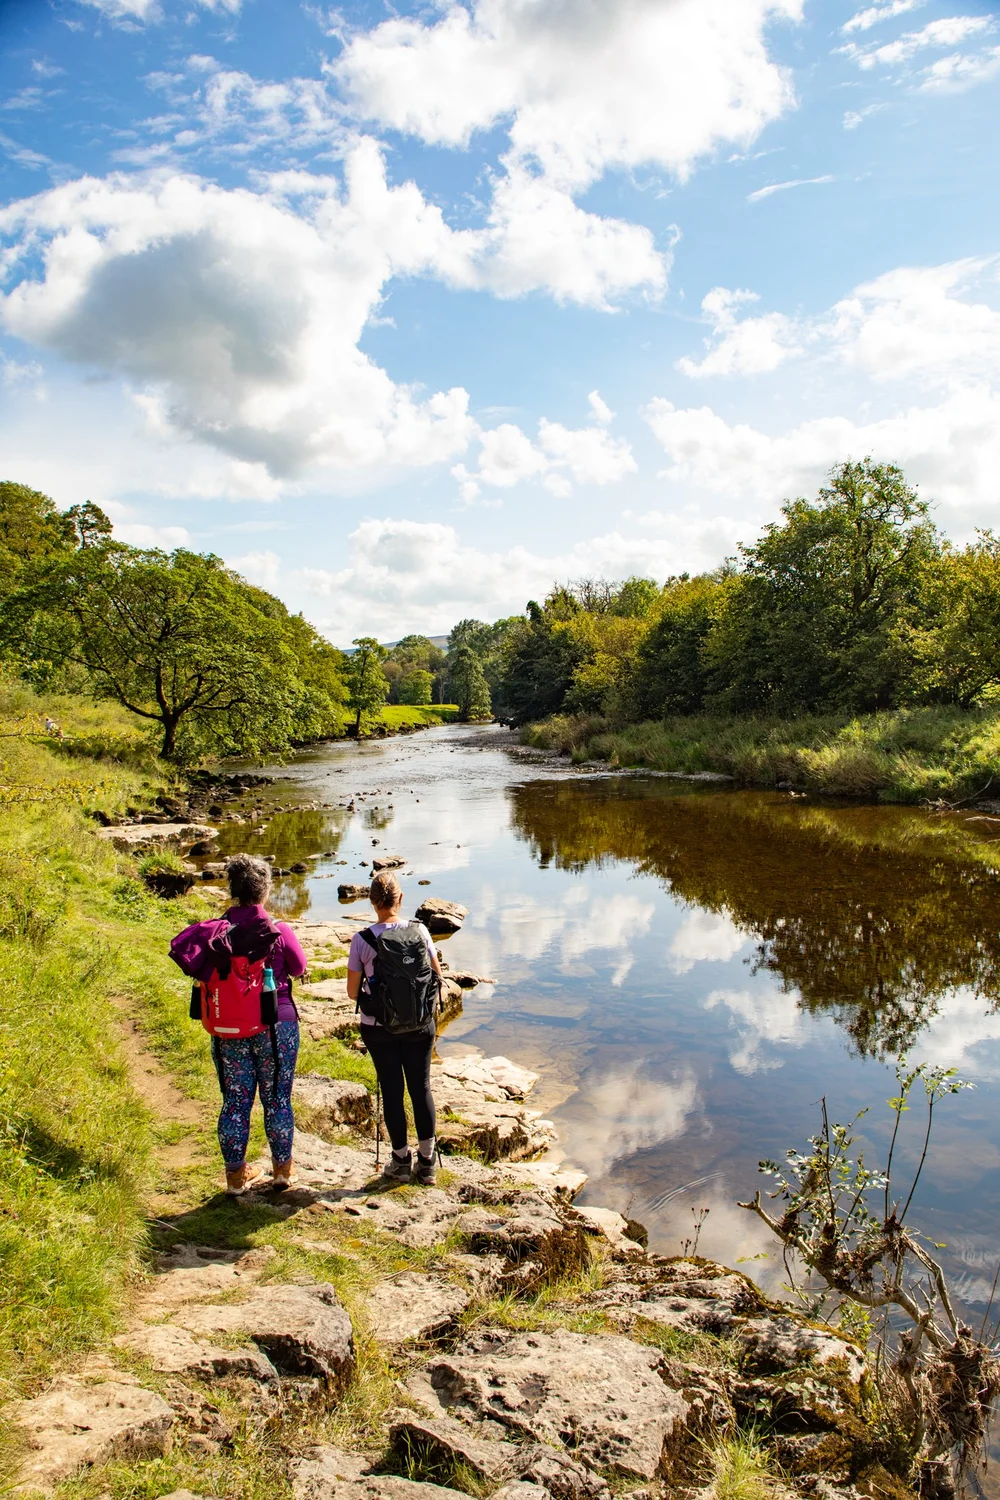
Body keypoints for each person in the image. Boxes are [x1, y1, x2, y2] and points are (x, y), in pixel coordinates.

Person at [173, 854, 307, 1195]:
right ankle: (282, 1173)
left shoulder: (215, 933)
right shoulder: (278, 930)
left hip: (228, 1025)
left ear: (232, 890)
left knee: (234, 1101)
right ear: (265, 891)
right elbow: (299, 966)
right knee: (277, 1098)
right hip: (276, 1025)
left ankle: (235, 1178)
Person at [346, 871, 443, 1184]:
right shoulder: (421, 932)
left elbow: (352, 992)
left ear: (373, 902)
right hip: (420, 1023)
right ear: (400, 900)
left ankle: (401, 1161)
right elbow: (436, 976)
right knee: (421, 1087)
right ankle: (427, 1163)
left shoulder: (362, 940)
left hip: (379, 1027)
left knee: (392, 1089)